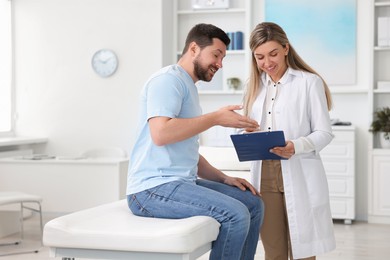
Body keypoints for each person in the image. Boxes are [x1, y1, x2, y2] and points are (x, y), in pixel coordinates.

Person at [126, 23, 264, 260]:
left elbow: (186, 151)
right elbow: (161, 134)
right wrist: (216, 118)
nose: (220, 64)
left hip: (179, 182)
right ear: (193, 48)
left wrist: (224, 178)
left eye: (223, 58)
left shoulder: (187, 85)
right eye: (216, 55)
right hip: (150, 189)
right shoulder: (167, 81)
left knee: (252, 203)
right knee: (236, 214)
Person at [242, 22, 336, 260]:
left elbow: (324, 133)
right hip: (264, 172)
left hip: (299, 169)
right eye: (260, 57)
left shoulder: (308, 82)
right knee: (273, 249)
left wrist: (296, 146)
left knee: (303, 248)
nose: (267, 63)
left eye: (273, 54)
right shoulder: (254, 87)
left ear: (285, 48)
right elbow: (249, 127)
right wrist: (247, 135)